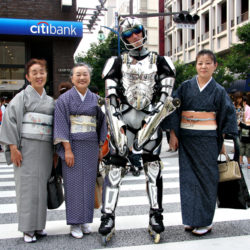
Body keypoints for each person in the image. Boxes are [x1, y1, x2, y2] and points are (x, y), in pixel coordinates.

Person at [99, 17, 177, 244]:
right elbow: (110, 99)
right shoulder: (116, 62)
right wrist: (116, 129)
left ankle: (156, 213)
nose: (134, 36)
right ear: (123, 39)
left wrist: (151, 123)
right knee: (114, 168)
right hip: (123, 119)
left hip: (150, 119)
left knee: (152, 168)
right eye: (128, 34)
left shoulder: (161, 61)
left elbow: (164, 99)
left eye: (137, 31)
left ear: (143, 32)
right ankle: (108, 216)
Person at [169, 49, 238, 236]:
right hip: (186, 140)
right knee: (188, 179)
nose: (203, 66)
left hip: (208, 140)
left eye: (208, 62)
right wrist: (173, 134)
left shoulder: (218, 90)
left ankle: (205, 221)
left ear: (215, 66)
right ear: (195, 66)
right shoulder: (185, 87)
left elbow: (227, 116)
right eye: (200, 63)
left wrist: (222, 139)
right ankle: (191, 219)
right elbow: (173, 108)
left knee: (206, 180)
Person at [0, 58, 55, 243]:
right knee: (27, 189)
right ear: (27, 77)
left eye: (42, 72)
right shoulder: (20, 98)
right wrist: (13, 148)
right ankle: (27, 229)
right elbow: (10, 121)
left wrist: (56, 151)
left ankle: (38, 226)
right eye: (35, 73)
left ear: (46, 75)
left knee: (41, 188)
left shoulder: (49, 100)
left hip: (45, 149)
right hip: (26, 148)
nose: (39, 76)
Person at [53, 63, 107, 239]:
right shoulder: (64, 100)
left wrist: (100, 146)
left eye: (85, 74)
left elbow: (101, 123)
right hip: (73, 145)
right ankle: (74, 223)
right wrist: (67, 149)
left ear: (89, 77)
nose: (82, 77)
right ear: (72, 78)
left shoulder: (96, 99)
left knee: (89, 184)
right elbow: (61, 124)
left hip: (91, 145)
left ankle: (85, 220)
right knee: (73, 185)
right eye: (78, 75)